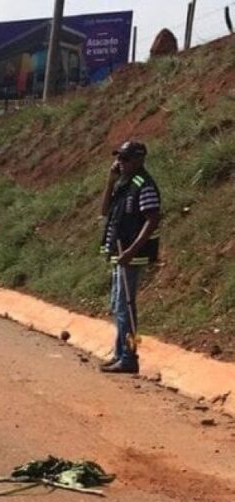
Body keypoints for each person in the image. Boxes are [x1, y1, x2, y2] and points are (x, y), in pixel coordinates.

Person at [99, 141, 161, 374]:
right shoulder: (124, 184)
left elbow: (153, 219)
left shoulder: (143, 185)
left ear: (139, 160)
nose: (120, 164)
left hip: (131, 256)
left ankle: (129, 356)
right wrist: (110, 181)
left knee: (126, 308)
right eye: (119, 159)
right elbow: (104, 211)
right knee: (118, 306)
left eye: (125, 159)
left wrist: (131, 251)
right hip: (120, 254)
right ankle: (119, 354)